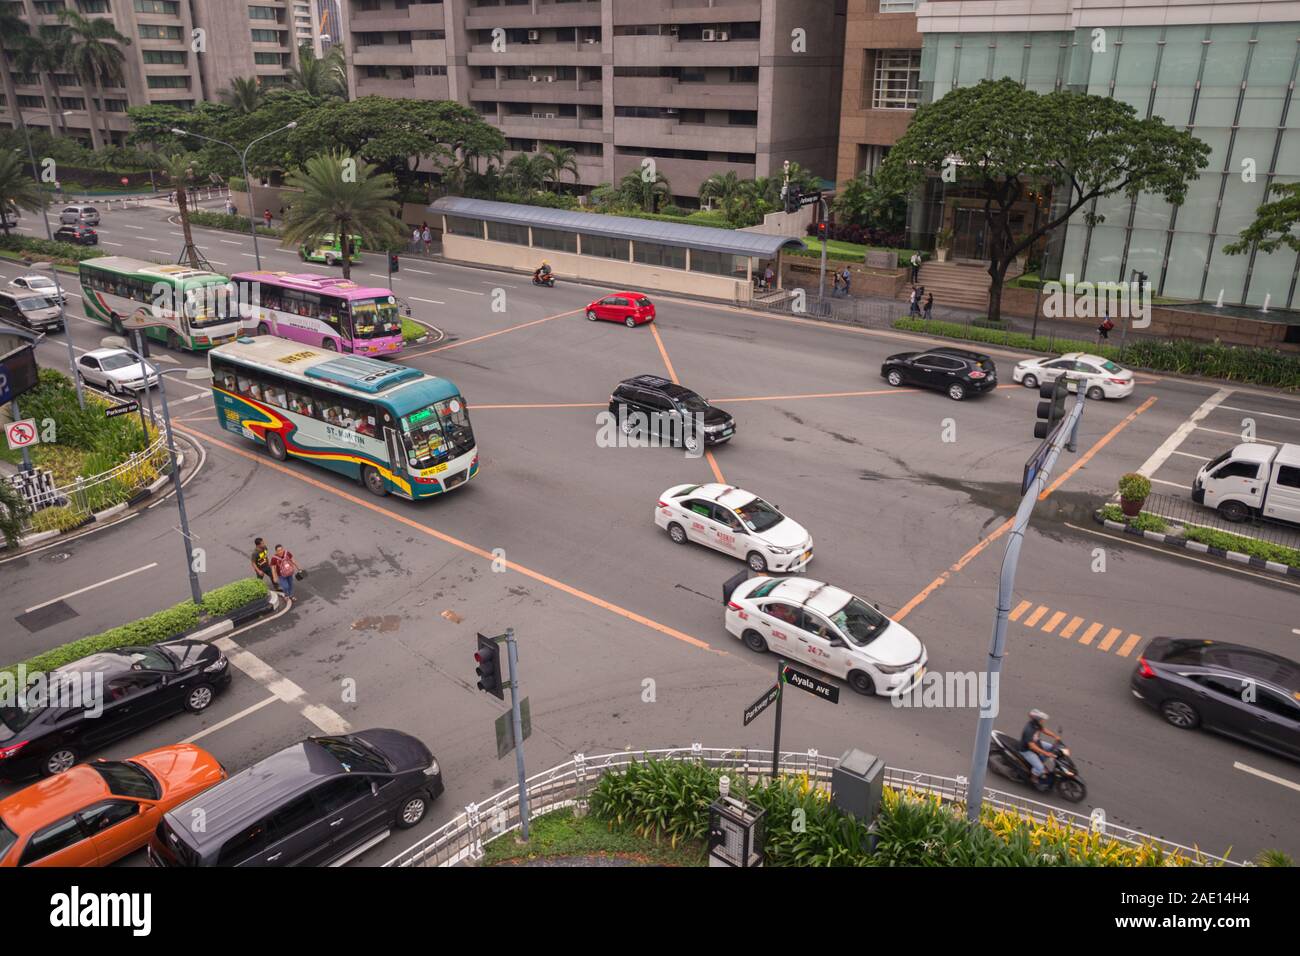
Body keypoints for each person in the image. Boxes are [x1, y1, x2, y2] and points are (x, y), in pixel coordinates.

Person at [1019, 709, 1062, 789]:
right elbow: (1032, 746)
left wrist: (1055, 736)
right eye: (1042, 720)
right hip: (1027, 750)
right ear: (1037, 720)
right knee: (1040, 768)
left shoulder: (1037, 724)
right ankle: (1033, 778)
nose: (1044, 721)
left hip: (1036, 743)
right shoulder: (1029, 730)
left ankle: (1040, 760)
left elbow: (1044, 730)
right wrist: (1046, 753)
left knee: (1052, 747)